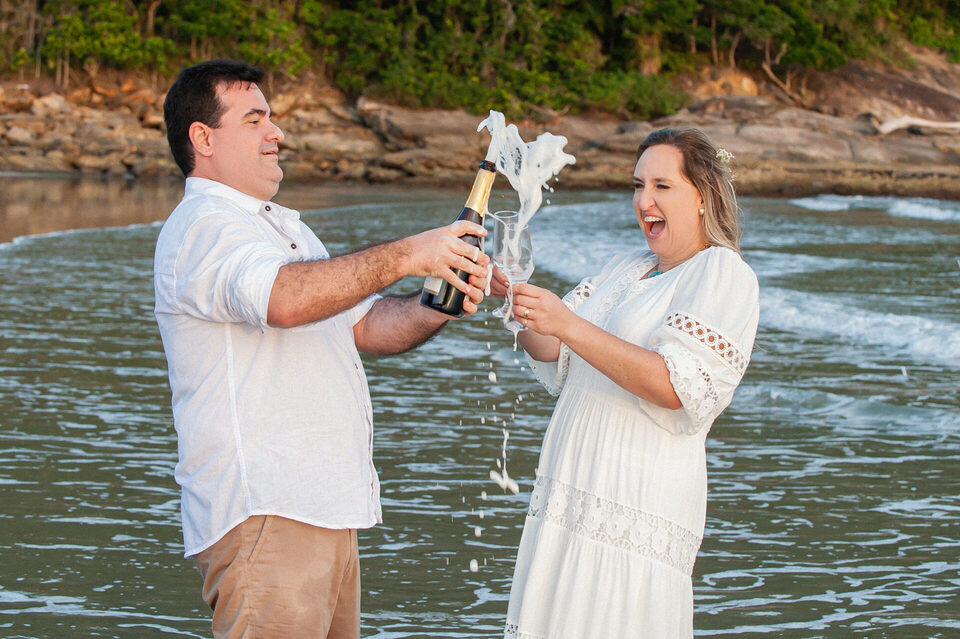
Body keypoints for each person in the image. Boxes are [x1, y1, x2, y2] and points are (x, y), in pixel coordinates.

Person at [153, 59, 489, 639]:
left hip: (326, 510)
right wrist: (413, 253)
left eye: (271, 118)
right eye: (255, 119)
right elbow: (282, 299)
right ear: (203, 138)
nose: (275, 132)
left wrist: (442, 298)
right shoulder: (204, 225)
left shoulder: (282, 230)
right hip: (268, 512)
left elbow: (367, 328)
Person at [491, 127, 760, 638]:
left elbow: (677, 387)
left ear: (702, 197)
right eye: (638, 185)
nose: (644, 200)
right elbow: (555, 351)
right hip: (573, 490)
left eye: (662, 185)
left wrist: (568, 323)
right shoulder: (625, 268)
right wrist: (515, 302)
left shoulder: (721, 273)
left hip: (636, 499)